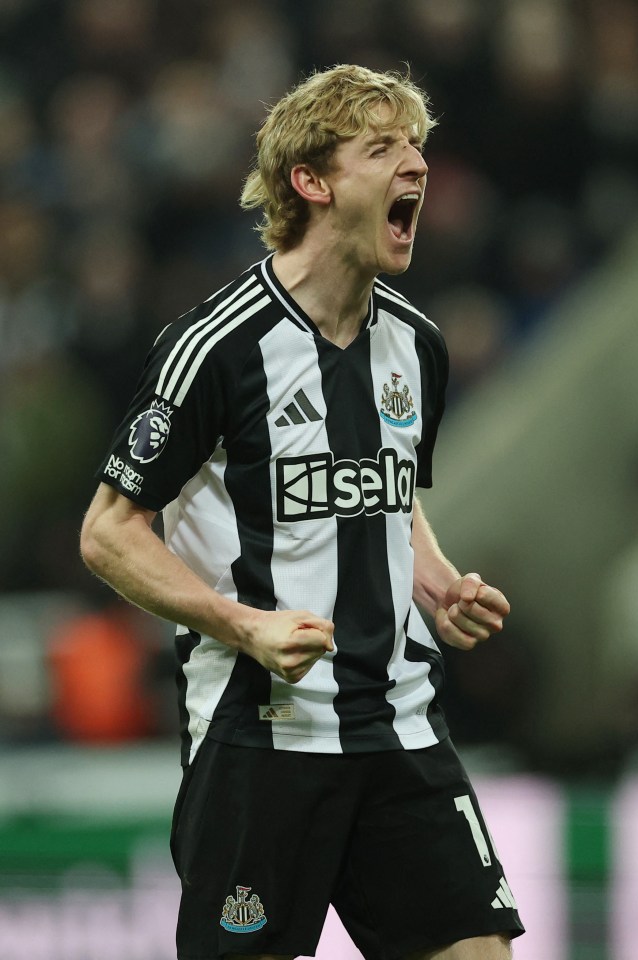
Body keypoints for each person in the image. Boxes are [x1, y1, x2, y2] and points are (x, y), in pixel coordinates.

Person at [80, 64, 525, 960]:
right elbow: (107, 532)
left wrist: (436, 585)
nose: (417, 167)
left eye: (418, 147)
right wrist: (240, 622)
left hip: (399, 722)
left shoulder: (418, 344)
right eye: (384, 149)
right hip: (261, 737)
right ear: (312, 183)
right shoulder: (218, 347)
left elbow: (389, 493)